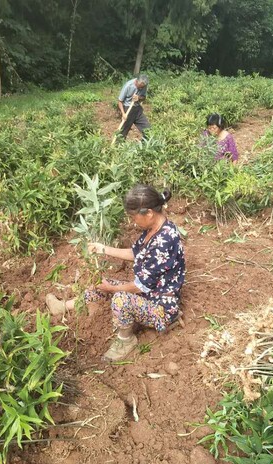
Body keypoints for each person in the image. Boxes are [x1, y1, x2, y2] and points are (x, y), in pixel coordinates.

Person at [45, 184, 186, 362]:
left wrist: (111, 288)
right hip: (146, 293)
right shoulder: (153, 229)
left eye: (133, 216)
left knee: (120, 298)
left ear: (148, 213)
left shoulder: (165, 240)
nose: (132, 221)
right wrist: (103, 249)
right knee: (101, 283)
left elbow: (139, 286)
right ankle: (64, 306)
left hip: (161, 306)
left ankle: (125, 340)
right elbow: (135, 253)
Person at [117, 74, 151, 140]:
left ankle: (144, 146)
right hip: (127, 109)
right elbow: (120, 101)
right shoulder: (128, 85)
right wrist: (123, 113)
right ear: (136, 81)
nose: (141, 88)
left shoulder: (144, 85)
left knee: (148, 130)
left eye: (142, 87)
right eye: (139, 87)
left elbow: (143, 97)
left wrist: (139, 97)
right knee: (123, 132)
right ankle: (117, 147)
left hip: (137, 109)